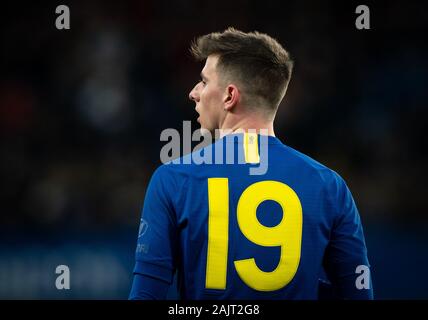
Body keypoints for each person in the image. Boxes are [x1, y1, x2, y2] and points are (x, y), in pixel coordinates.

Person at [129, 27, 373, 300]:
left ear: (229, 96)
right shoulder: (330, 187)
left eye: (204, 81)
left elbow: (145, 295)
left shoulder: (172, 180)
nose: (193, 93)